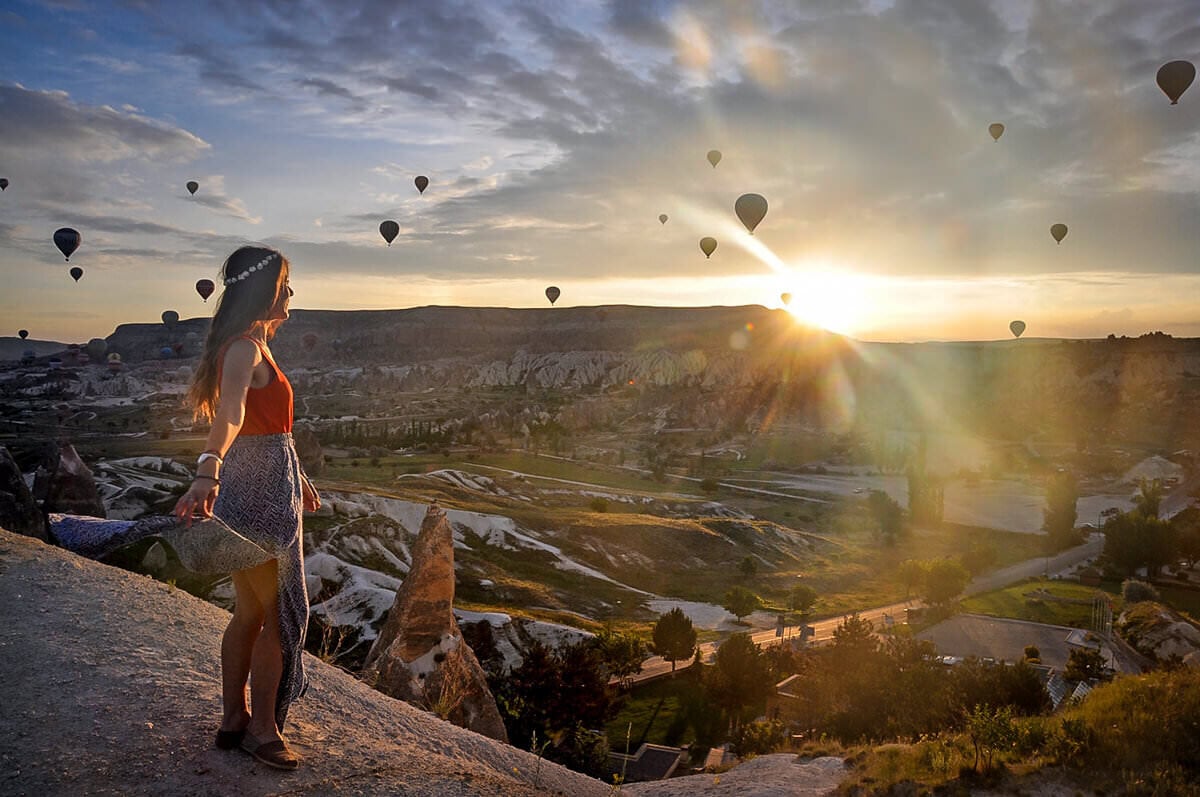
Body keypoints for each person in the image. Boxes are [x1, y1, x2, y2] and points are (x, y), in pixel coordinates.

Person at [173, 245, 320, 770]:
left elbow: (269, 425)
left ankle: (235, 720)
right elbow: (232, 414)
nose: (290, 293)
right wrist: (207, 468)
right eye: (284, 283)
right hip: (255, 494)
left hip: (271, 485)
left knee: (251, 612)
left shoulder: (258, 344)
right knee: (277, 618)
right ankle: (262, 730)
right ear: (262, 289)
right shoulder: (244, 351)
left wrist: (296, 475)